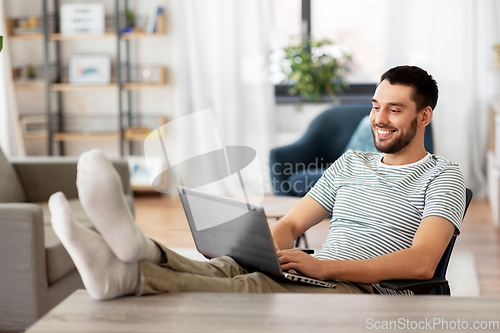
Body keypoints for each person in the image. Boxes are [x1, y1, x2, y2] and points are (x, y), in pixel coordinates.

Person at [48, 65, 466, 300]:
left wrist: (324, 266)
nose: (379, 119)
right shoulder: (351, 162)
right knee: (230, 266)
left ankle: (133, 273)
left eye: (395, 110)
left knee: (250, 288)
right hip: (320, 273)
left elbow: (421, 262)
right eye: (376, 106)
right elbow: (291, 226)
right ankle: (138, 254)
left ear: (423, 117)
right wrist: (262, 248)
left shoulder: (442, 175)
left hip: (368, 292)